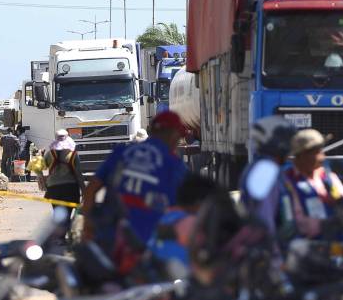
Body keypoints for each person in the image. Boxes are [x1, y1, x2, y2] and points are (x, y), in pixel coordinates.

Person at [81, 110, 189, 245]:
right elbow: (183, 211)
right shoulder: (175, 165)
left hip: (108, 239)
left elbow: (91, 189)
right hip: (147, 247)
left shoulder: (122, 152)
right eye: (179, 137)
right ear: (173, 135)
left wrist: (87, 225)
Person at [278, 128, 343, 241]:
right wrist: (323, 224)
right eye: (317, 152)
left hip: (336, 244)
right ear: (301, 155)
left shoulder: (329, 177)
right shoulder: (288, 181)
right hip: (305, 248)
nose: (322, 157)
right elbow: (295, 221)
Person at [150, 173, 217, 278]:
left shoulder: (164, 218)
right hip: (186, 282)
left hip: (158, 279)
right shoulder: (192, 223)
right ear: (200, 202)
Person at [239, 116, 296, 239]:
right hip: (270, 250)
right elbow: (265, 219)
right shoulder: (265, 172)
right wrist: (274, 254)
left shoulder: (270, 168)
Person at [43, 130, 84, 213]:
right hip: (71, 189)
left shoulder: (49, 154)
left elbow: (40, 167)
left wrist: (42, 182)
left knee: (58, 215)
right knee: (68, 215)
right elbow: (78, 174)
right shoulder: (73, 154)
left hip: (53, 189)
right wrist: (84, 189)